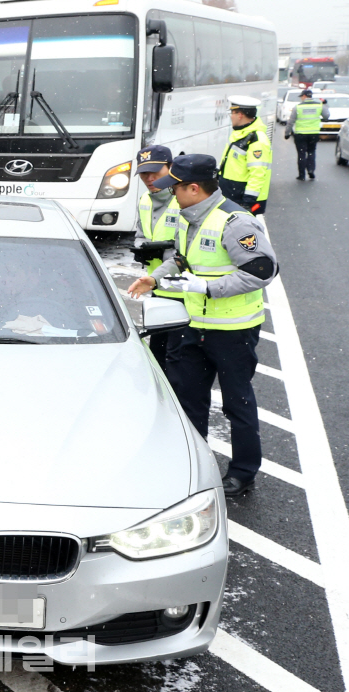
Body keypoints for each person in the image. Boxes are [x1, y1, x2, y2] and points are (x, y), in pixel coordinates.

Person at [127, 154, 278, 498]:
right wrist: (155, 278)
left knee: (236, 404)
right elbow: (181, 258)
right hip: (194, 326)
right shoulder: (187, 216)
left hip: (233, 331)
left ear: (194, 189)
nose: (171, 194)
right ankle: (192, 465)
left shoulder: (235, 222)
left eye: (175, 188)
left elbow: (262, 271)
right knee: (189, 399)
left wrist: (207, 287)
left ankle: (243, 473)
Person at [132, 145, 182, 372]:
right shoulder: (145, 199)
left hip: (185, 292)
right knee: (158, 355)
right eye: (144, 173)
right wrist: (142, 247)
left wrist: (165, 252)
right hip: (157, 288)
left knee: (178, 358)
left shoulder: (182, 200)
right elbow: (141, 232)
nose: (149, 179)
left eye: (156, 172)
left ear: (170, 168)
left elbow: (188, 250)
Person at [218, 96, 272, 215]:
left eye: (232, 112)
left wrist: (247, 202)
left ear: (240, 115)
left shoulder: (256, 139)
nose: (231, 116)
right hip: (233, 195)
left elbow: (258, 173)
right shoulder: (241, 134)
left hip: (242, 199)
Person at [285, 88, 329, 180]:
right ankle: (311, 170)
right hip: (314, 133)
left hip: (300, 134)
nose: (301, 98)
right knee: (311, 152)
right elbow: (327, 116)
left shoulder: (298, 107)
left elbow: (291, 121)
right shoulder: (319, 106)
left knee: (301, 154)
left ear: (304, 96)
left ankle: (302, 175)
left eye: (301, 96)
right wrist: (325, 104)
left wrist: (287, 133)